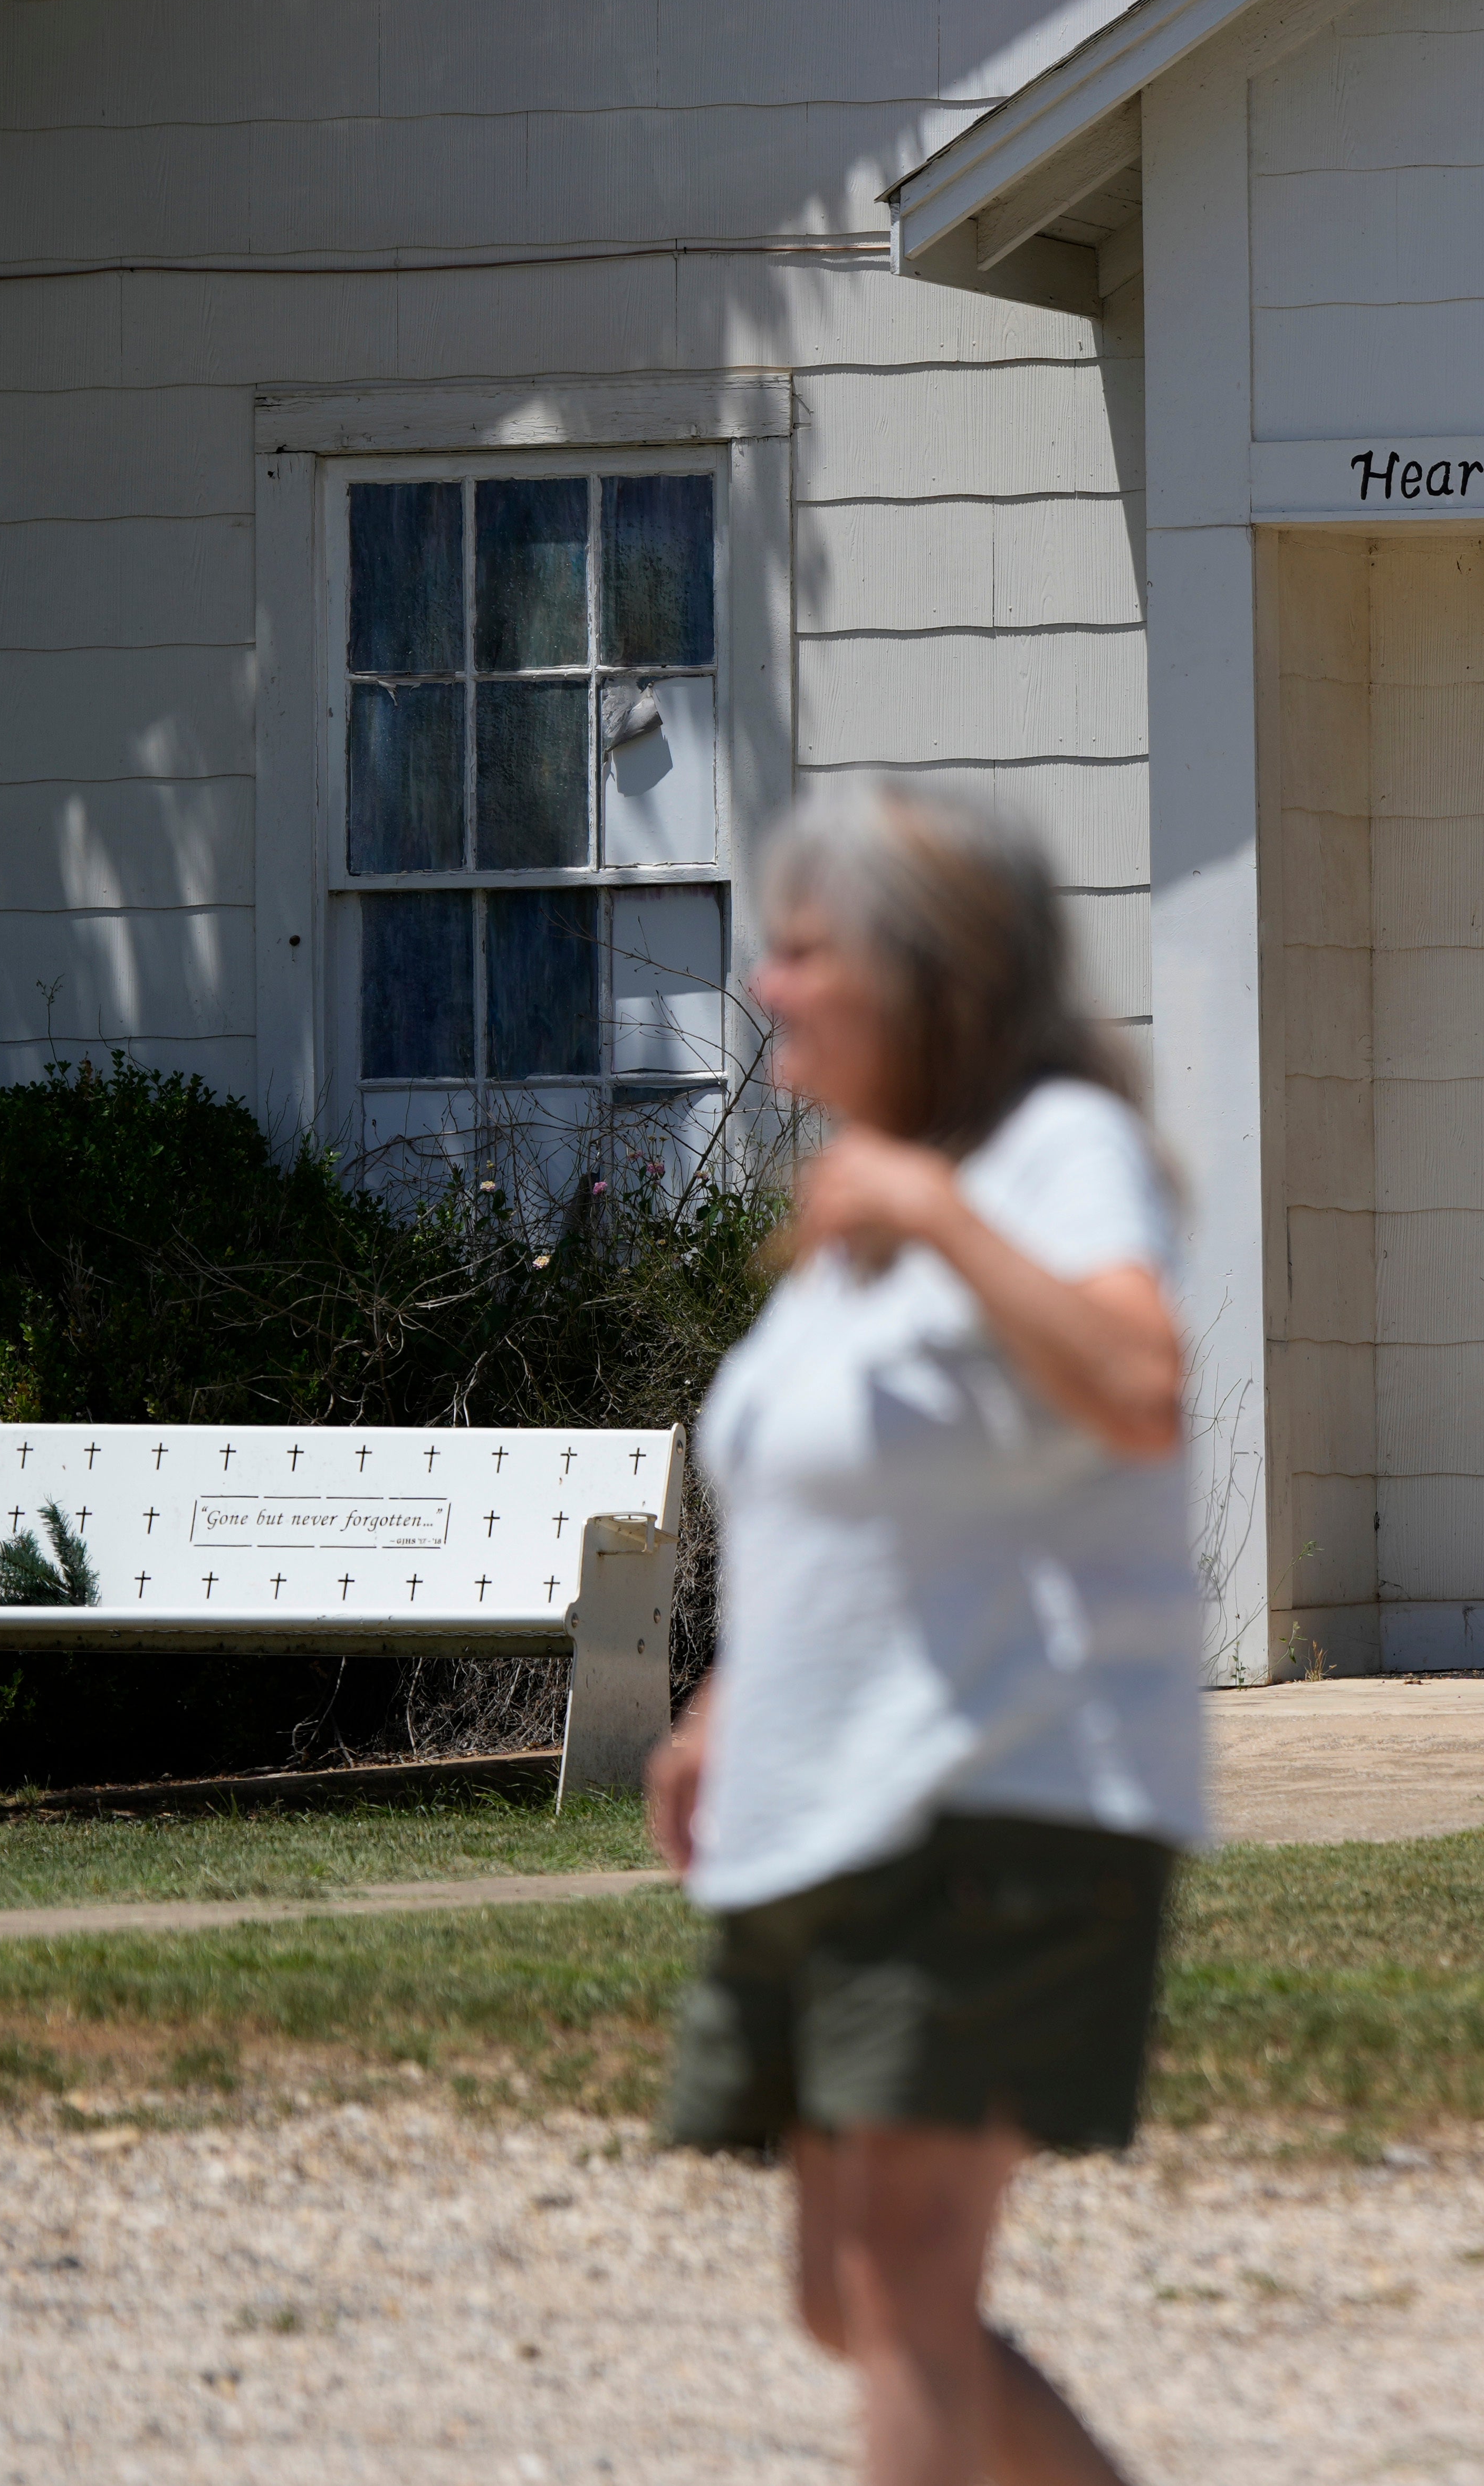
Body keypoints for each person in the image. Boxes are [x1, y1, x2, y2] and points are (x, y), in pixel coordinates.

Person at [647, 781, 1207, 2486]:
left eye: (806, 950)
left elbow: (1140, 1383)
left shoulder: (1046, 1156)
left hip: (998, 1795)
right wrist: (728, 1703)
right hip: (835, 1803)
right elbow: (859, 1500)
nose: (767, 987)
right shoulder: (881, 1200)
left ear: (924, 970)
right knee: (855, 2295)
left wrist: (945, 1222)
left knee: (901, 2283)